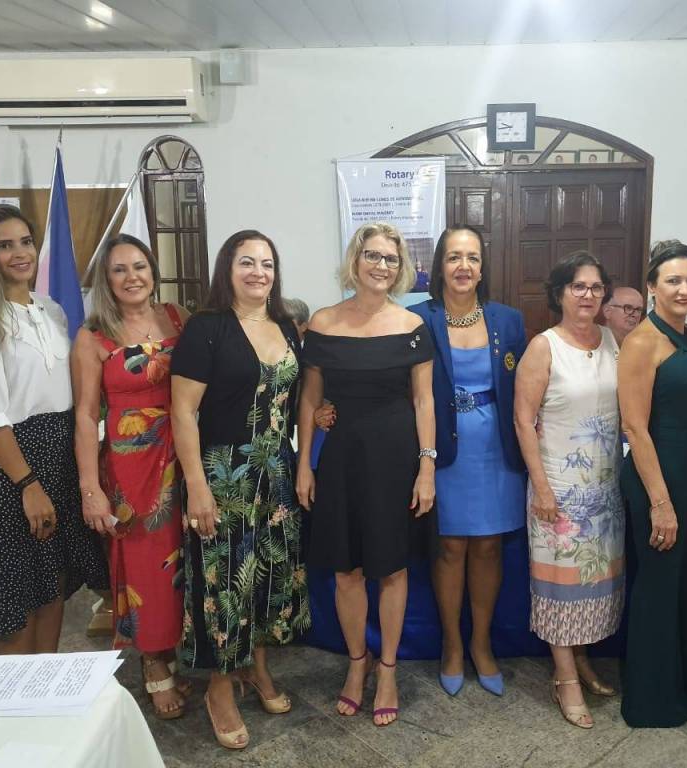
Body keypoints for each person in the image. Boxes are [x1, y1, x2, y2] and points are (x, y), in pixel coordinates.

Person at [171, 230, 310, 750]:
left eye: (267, 264)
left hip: (276, 472)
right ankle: (220, 688)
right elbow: (183, 411)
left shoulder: (285, 326)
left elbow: (291, 399)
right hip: (224, 474)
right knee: (224, 583)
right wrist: (196, 486)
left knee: (270, 576)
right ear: (227, 270)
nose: (258, 272)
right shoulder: (206, 328)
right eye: (246, 262)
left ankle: (258, 667)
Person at [0, 204, 108, 653]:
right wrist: (28, 485)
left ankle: (45, 689)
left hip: (58, 460)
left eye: (25, 242)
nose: (20, 253)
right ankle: (15, 695)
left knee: (51, 589)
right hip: (12, 472)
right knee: (16, 603)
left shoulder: (51, 310)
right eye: (5, 245)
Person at [296, 222, 435, 727]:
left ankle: (389, 669)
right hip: (341, 461)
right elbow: (310, 400)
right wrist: (304, 464)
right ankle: (358, 664)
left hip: (396, 459)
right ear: (355, 261)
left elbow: (424, 400)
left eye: (391, 259)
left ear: (401, 269)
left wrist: (427, 466)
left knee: (392, 568)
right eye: (373, 256)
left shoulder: (411, 325)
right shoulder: (323, 322)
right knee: (345, 571)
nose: (381, 265)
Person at [72, 234, 189, 719]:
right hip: (130, 465)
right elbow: (85, 416)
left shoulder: (177, 316)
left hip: (184, 452)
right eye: (119, 269)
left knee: (185, 555)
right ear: (106, 279)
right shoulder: (93, 336)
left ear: (152, 271)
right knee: (145, 566)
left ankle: (183, 647)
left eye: (139, 266)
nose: (132, 277)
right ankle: (154, 661)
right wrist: (90, 490)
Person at [408, 226, 526, 697]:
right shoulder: (418, 319)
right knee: (451, 547)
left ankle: (481, 643)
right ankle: (452, 646)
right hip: (442, 447)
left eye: (472, 258)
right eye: (454, 257)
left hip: (496, 448)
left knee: (490, 547)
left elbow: (526, 387)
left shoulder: (508, 320)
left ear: (482, 267)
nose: (463, 266)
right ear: (440, 266)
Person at [513, 252, 624, 729]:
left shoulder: (612, 340)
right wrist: (542, 488)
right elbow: (523, 421)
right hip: (558, 491)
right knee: (560, 589)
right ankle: (565, 678)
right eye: (578, 286)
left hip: (604, 489)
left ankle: (581, 659)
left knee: (594, 582)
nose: (588, 295)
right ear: (559, 293)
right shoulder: (544, 347)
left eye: (596, 287)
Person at [618, 240, 687, 728]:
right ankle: (652, 700)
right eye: (673, 280)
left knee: (682, 585)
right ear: (652, 287)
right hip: (655, 478)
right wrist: (660, 503)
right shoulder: (643, 341)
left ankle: (680, 680)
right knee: (659, 586)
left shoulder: (686, 335)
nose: (684, 289)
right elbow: (635, 428)